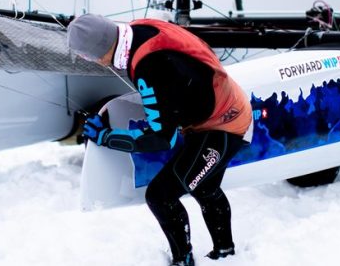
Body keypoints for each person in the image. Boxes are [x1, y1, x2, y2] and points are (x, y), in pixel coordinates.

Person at [68, 14, 252, 266]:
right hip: (224, 104)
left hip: (224, 124)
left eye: (86, 56)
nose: (88, 60)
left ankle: (183, 260)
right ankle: (226, 252)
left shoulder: (150, 66)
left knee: (161, 196)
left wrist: (106, 137)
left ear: (99, 54)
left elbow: (162, 139)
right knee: (205, 187)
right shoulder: (139, 28)